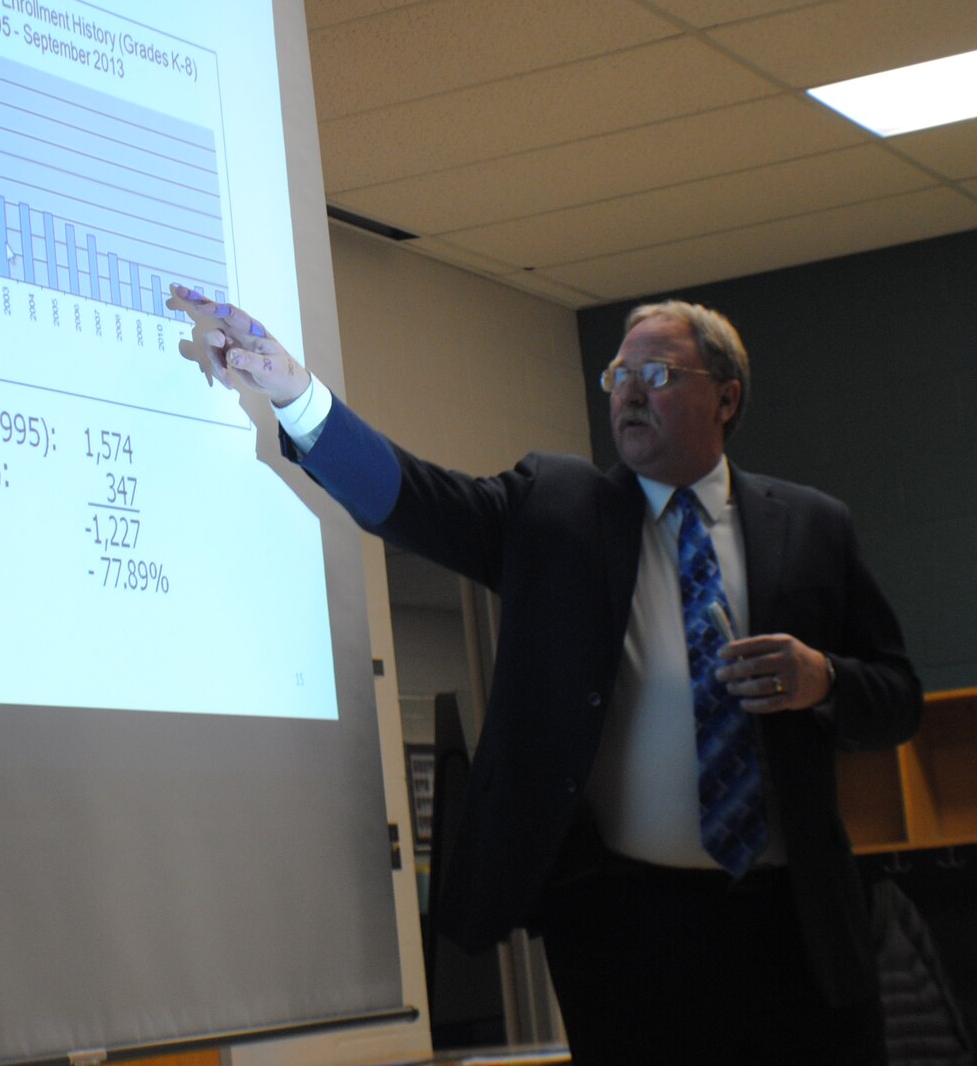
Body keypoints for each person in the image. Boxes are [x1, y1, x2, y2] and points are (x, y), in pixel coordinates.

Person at [169, 285, 921, 1066]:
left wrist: (824, 678)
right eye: (617, 377)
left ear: (725, 396)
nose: (629, 391)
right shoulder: (557, 509)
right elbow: (411, 498)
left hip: (795, 920)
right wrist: (296, 393)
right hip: (629, 926)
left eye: (657, 375)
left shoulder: (811, 526)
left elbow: (898, 698)